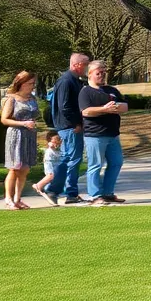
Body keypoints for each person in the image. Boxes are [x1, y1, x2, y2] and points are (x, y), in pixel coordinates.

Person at [78, 60, 129, 206]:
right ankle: (94, 196)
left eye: (103, 72)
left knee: (116, 162)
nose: (102, 75)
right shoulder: (85, 92)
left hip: (113, 134)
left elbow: (125, 106)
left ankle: (108, 193)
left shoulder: (111, 90)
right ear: (89, 75)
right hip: (95, 135)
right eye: (98, 73)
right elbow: (86, 111)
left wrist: (116, 106)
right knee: (95, 165)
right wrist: (104, 109)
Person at [42, 52, 89, 206]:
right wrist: (76, 123)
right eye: (85, 65)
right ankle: (55, 190)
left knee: (71, 159)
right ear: (77, 65)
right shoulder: (66, 81)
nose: (87, 68)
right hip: (69, 127)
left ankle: (70, 192)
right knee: (70, 159)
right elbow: (65, 106)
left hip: (70, 126)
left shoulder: (73, 80)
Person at [0, 71, 40, 210]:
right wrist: (23, 123)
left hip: (29, 136)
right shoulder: (12, 99)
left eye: (33, 84)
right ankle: (8, 199)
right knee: (14, 168)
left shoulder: (32, 99)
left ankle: (18, 199)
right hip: (16, 135)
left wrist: (32, 123)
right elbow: (4, 119)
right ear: (21, 84)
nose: (32, 86)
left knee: (25, 169)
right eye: (30, 84)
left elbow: (35, 116)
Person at [33, 131, 62, 199]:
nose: (58, 140)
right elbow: (50, 145)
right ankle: (38, 185)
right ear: (51, 139)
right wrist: (51, 144)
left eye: (58, 139)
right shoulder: (51, 144)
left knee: (54, 177)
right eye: (56, 139)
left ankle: (47, 189)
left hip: (55, 162)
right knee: (50, 175)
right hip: (49, 162)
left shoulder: (59, 145)